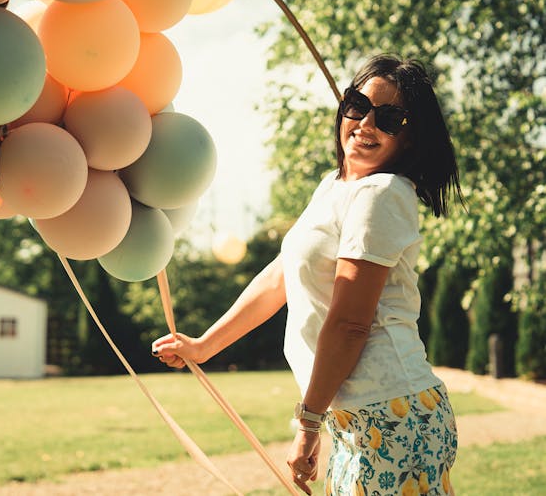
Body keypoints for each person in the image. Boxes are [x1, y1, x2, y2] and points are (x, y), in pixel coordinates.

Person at [152, 54, 462, 496]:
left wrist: (307, 423)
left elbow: (350, 324)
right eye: (358, 105)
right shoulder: (333, 187)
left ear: (410, 139)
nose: (365, 124)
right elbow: (281, 275)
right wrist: (204, 346)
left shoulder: (382, 195)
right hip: (363, 414)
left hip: (392, 413)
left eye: (390, 118)